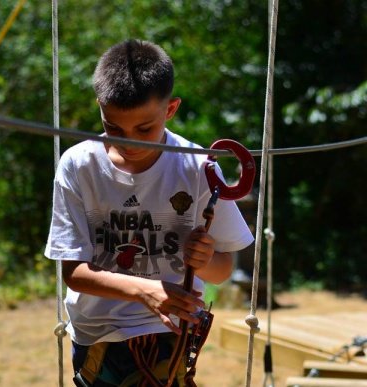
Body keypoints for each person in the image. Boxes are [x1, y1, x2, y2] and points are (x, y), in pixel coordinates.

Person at [45, 39, 254, 386]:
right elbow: (74, 272)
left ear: (170, 109)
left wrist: (203, 260)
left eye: (144, 129)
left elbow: (222, 270)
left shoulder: (198, 166)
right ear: (100, 108)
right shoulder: (78, 166)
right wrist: (146, 291)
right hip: (97, 336)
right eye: (114, 128)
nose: (129, 142)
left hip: (169, 331)